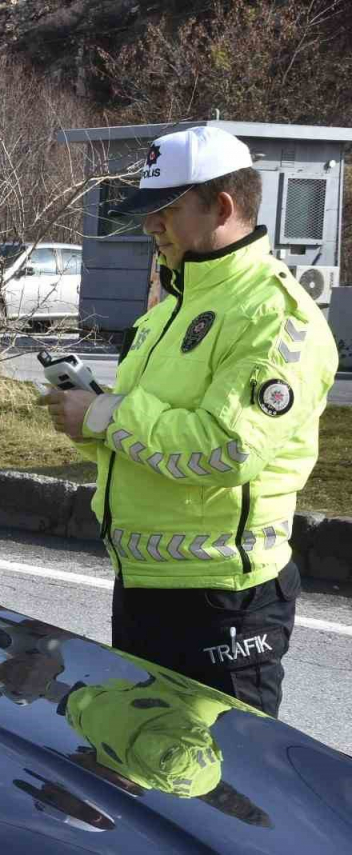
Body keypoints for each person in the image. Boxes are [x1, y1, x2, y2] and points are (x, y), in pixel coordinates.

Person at [38, 126, 338, 717]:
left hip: (224, 599)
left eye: (167, 210)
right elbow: (148, 434)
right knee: (137, 751)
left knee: (217, 771)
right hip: (145, 584)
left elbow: (228, 449)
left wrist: (103, 414)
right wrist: (92, 419)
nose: (150, 225)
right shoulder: (173, 303)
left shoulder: (272, 315)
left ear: (222, 208)